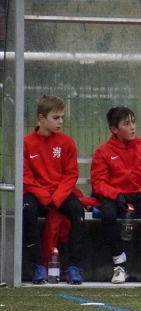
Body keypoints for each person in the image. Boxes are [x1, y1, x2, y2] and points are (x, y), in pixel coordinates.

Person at [90, 106, 141, 284]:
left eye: (133, 122)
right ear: (114, 129)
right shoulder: (103, 152)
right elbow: (99, 182)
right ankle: (119, 264)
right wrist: (116, 195)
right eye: (126, 124)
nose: (132, 127)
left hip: (140, 195)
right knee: (107, 214)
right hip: (115, 196)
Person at [22, 95, 86, 284]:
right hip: (37, 194)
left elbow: (71, 174)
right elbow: (26, 176)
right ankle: (38, 266)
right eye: (56, 117)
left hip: (60, 194)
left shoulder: (67, 142)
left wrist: (57, 197)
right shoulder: (27, 143)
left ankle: (74, 266)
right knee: (27, 210)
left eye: (62, 117)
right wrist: (43, 196)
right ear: (41, 118)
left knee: (77, 211)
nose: (60, 122)